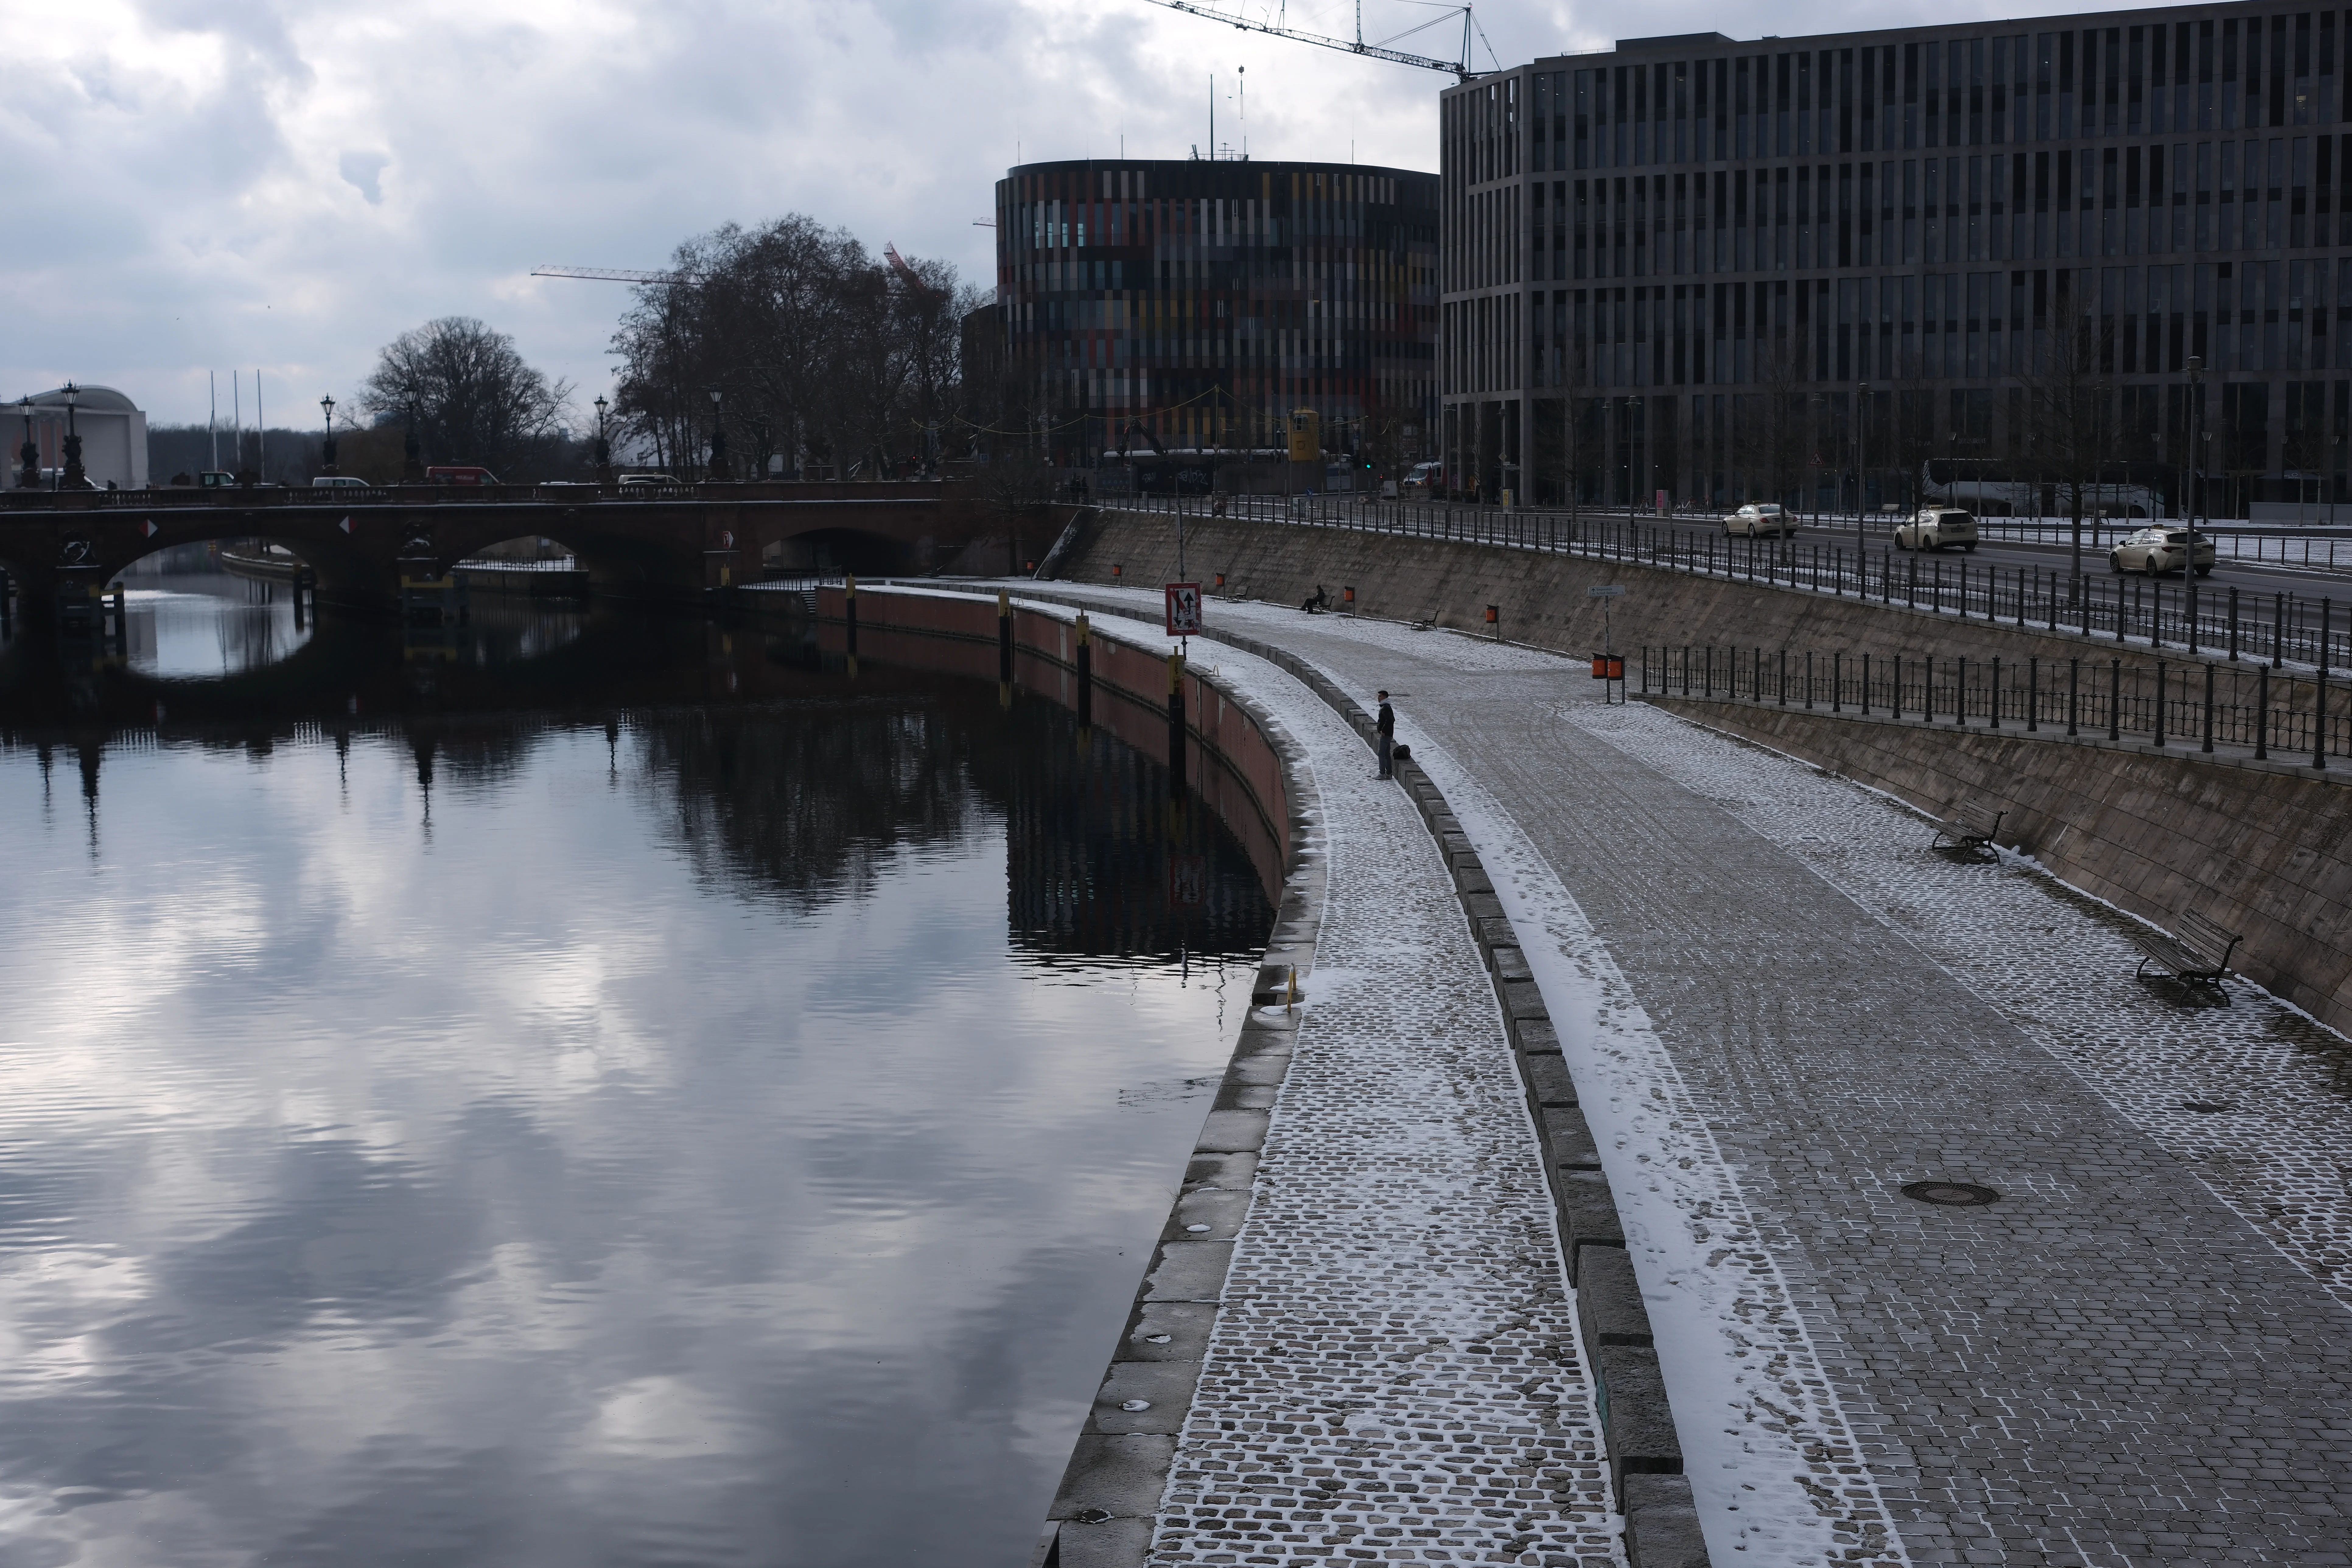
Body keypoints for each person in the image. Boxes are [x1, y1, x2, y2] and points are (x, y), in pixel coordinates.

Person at [1375, 690, 1395, 779]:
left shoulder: (1386, 707)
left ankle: (1382, 774)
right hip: (1389, 734)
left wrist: (1383, 730)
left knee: (1381, 754)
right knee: (1387, 754)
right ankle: (1389, 774)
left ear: (1385, 697)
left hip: (1386, 734)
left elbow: (1390, 720)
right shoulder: (1386, 706)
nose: (1378, 698)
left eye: (1380, 696)